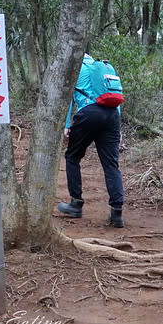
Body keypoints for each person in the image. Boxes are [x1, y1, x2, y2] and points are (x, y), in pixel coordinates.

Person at [56, 52, 125, 227]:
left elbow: (69, 99)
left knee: (72, 157)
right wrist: (117, 128)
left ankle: (76, 204)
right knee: (111, 164)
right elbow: (115, 96)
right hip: (112, 116)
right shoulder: (102, 68)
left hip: (88, 113)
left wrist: (66, 125)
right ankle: (117, 213)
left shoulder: (76, 68)